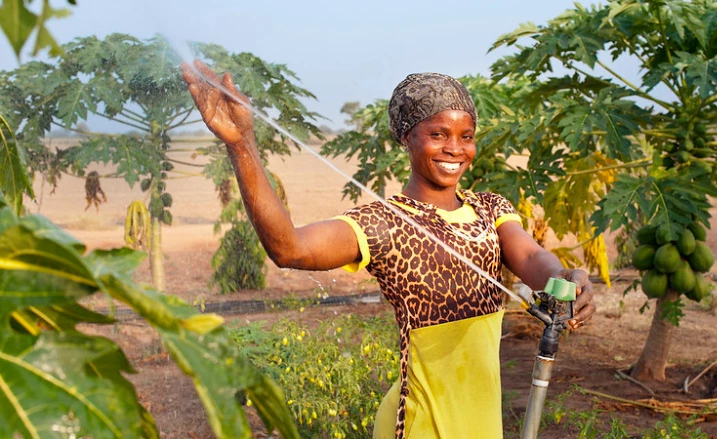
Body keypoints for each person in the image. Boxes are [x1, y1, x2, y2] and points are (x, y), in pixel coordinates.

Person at [181, 61, 596, 439]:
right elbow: (291, 248)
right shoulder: (385, 222)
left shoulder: (490, 209)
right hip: (421, 423)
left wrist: (566, 279)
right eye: (438, 134)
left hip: (480, 420)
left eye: (465, 136)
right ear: (405, 137)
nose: (455, 149)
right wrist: (241, 145)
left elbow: (531, 258)